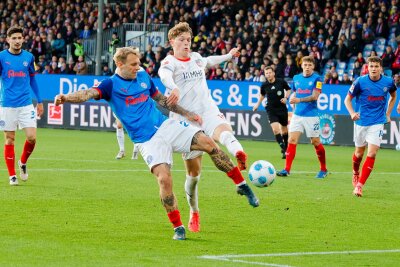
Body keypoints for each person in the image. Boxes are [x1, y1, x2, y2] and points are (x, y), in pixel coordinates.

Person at [54, 47, 259, 240]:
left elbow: (161, 99)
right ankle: (178, 227)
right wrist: (65, 97)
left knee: (208, 143)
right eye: (133, 64)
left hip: (165, 125)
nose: (138, 67)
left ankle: (241, 185)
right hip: (147, 141)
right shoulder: (110, 85)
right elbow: (87, 93)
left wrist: (187, 114)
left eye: (138, 63)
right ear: (119, 63)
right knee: (164, 179)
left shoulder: (142, 76)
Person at [158, 22, 249, 233]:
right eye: (182, 40)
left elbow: (208, 61)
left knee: (223, 130)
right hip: (186, 122)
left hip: (206, 111)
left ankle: (237, 152)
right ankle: (194, 212)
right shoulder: (169, 62)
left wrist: (228, 56)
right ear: (172, 42)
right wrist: (174, 87)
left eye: (188, 40)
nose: (186, 44)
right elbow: (165, 76)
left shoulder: (197, 57)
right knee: (194, 176)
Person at [344, 56, 397, 197]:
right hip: (361, 122)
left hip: (378, 122)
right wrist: (351, 113)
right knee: (359, 154)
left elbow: (393, 96)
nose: (373, 69)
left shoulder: (388, 82)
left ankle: (359, 186)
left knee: (372, 153)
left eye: (376, 66)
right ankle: (355, 173)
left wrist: (388, 113)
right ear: (368, 67)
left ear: (381, 68)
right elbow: (347, 99)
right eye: (371, 66)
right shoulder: (360, 82)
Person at [0, 25, 43, 185]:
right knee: (9, 139)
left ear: (23, 39)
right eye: (14, 38)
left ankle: (22, 162)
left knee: (32, 138)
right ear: (8, 40)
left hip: (25, 104)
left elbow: (32, 79)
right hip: (7, 105)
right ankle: (12, 176)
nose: (17, 41)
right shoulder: (1, 57)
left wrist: (39, 101)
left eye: (19, 38)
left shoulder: (29, 57)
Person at [276, 56, 328, 178]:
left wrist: (299, 100)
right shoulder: (296, 78)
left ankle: (323, 169)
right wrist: (289, 99)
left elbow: (315, 96)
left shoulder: (318, 79)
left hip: (311, 115)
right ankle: (286, 169)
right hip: (297, 115)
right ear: (302, 65)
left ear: (313, 67)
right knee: (291, 140)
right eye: (305, 65)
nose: (307, 67)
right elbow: (293, 92)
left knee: (315, 142)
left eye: (310, 65)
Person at [253, 66, 291, 159]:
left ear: (273, 73)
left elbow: (289, 89)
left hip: (282, 109)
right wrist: (257, 104)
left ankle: (285, 147)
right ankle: (283, 149)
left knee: (284, 130)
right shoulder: (264, 85)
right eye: (266, 73)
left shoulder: (281, 82)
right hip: (271, 109)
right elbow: (262, 95)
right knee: (275, 130)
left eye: (270, 72)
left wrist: (286, 98)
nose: (268, 74)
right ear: (265, 75)